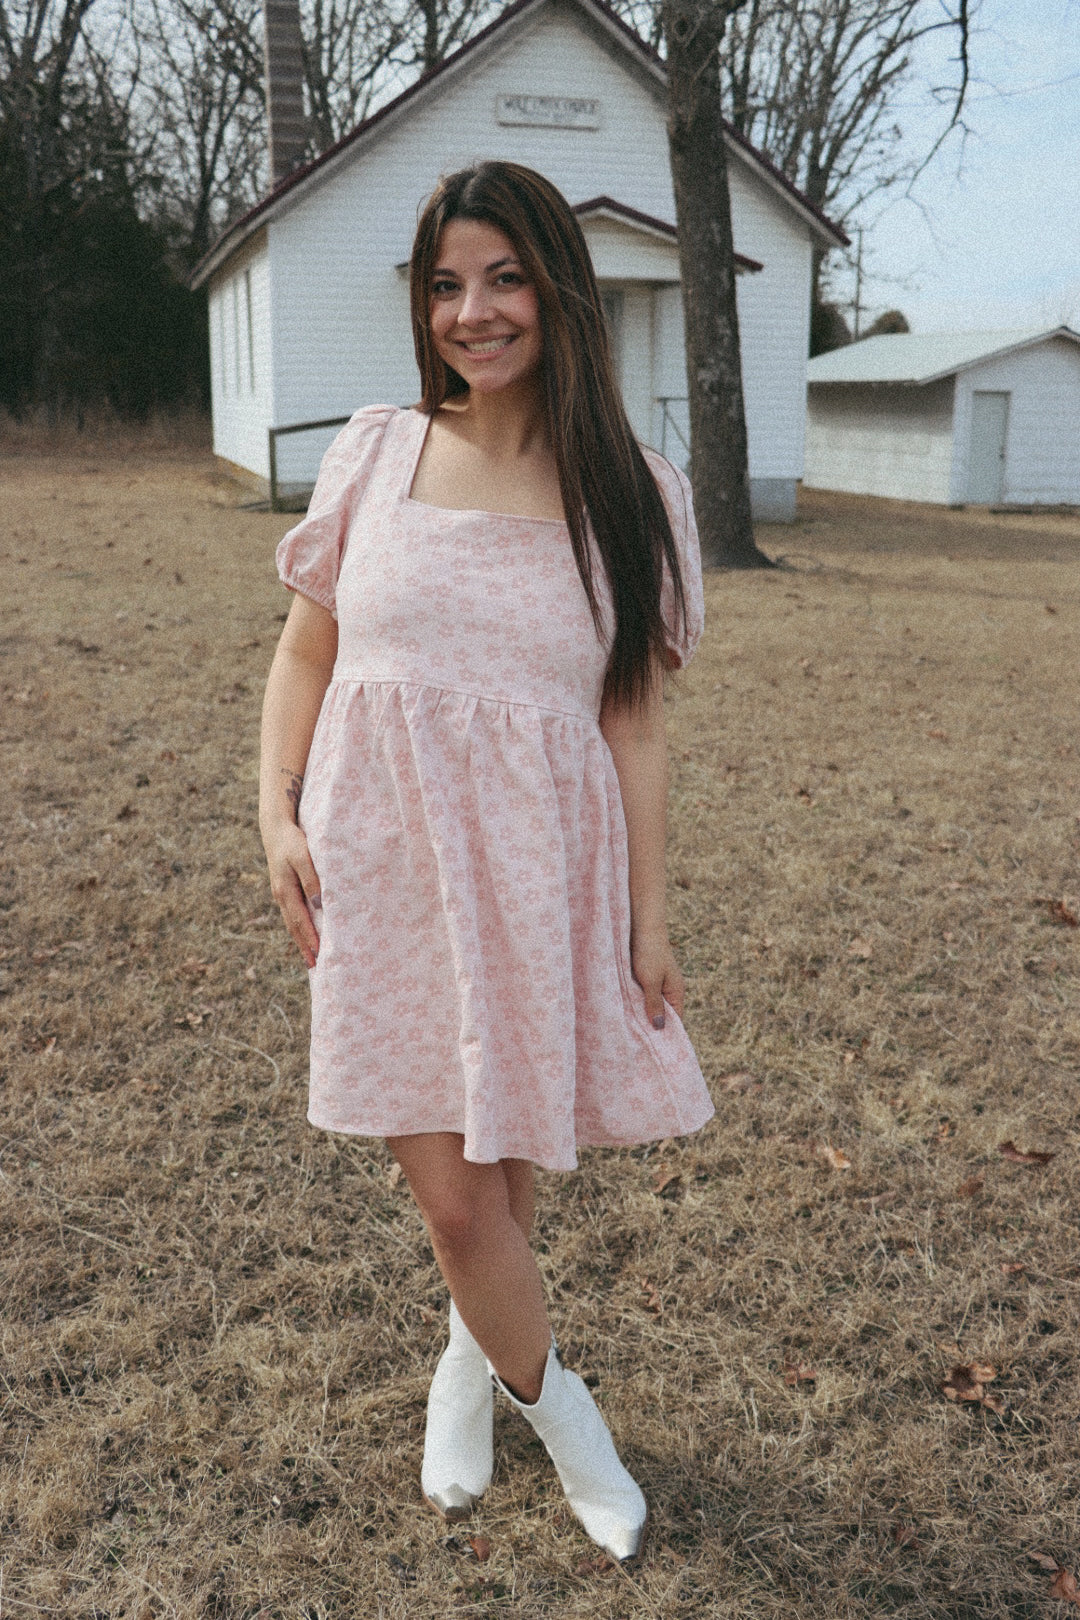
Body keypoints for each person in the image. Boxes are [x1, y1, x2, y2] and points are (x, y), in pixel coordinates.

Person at [259, 160, 714, 1563]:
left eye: (505, 277)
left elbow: (630, 722)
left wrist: (648, 917)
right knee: (458, 1200)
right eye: (447, 285)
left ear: (559, 288)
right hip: (382, 860)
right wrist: (276, 813)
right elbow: (306, 649)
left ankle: (472, 1372)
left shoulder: (633, 493)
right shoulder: (377, 450)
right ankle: (570, 1417)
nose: (475, 311)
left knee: (504, 1174)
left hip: (538, 869)